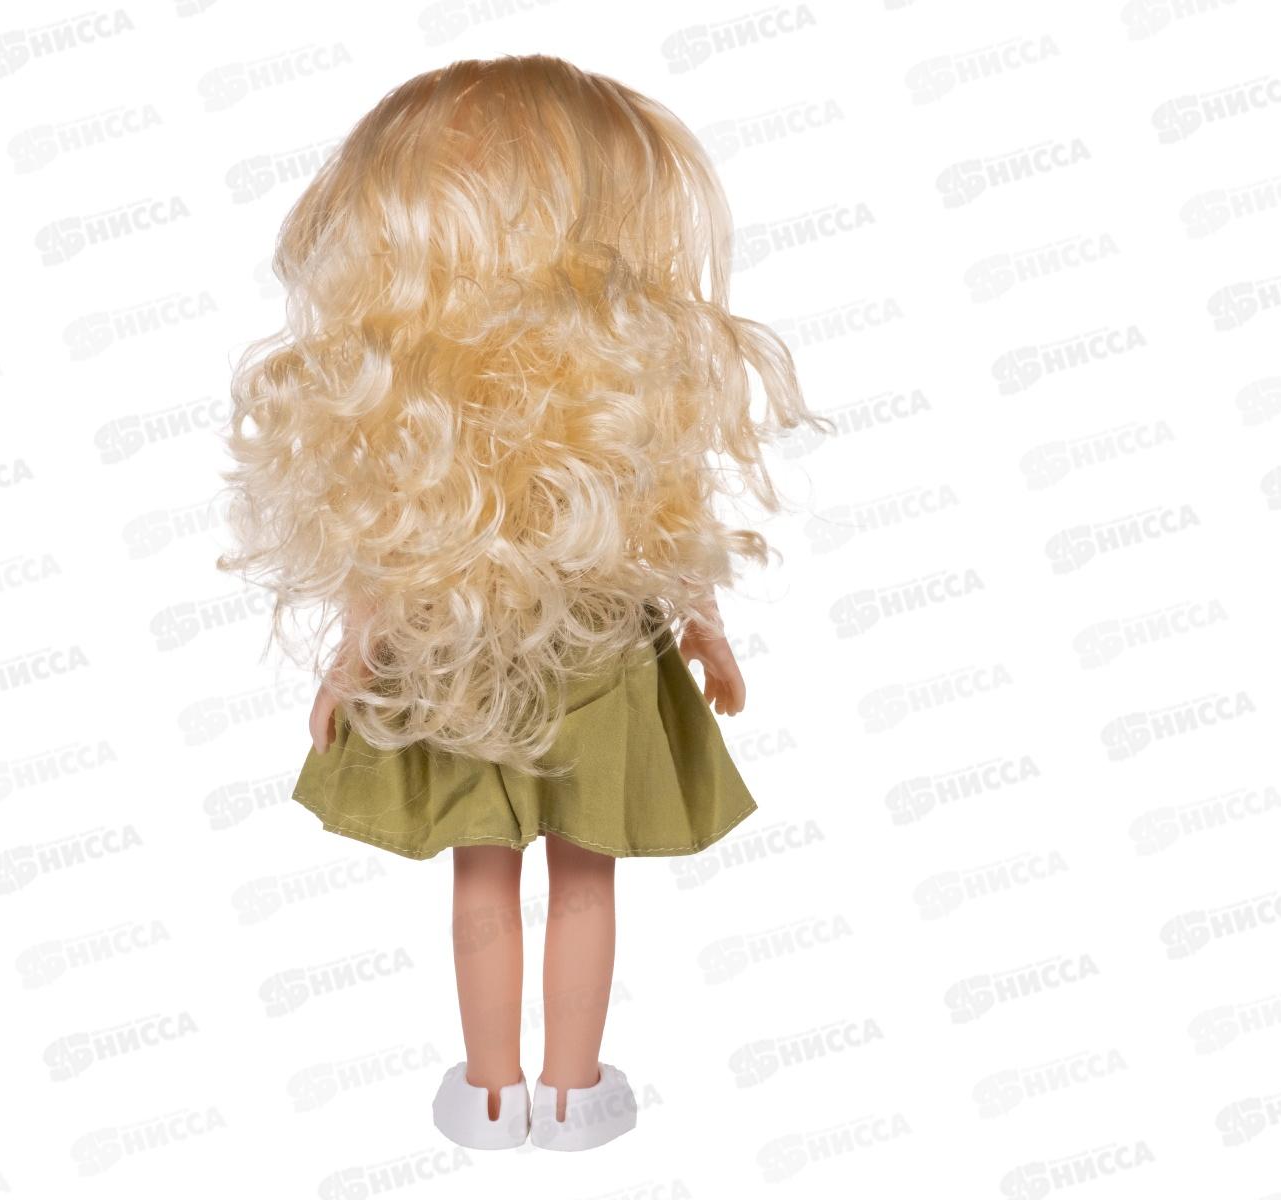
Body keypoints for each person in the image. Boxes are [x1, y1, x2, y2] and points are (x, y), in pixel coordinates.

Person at [216, 52, 832, 1152]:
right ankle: (572, 1090)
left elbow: (394, 533)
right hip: (588, 649)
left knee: (486, 872)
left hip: (463, 648)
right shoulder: (618, 385)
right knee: (579, 872)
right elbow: (665, 517)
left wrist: (353, 658)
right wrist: (703, 632)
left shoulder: (423, 403)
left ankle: (494, 1094)